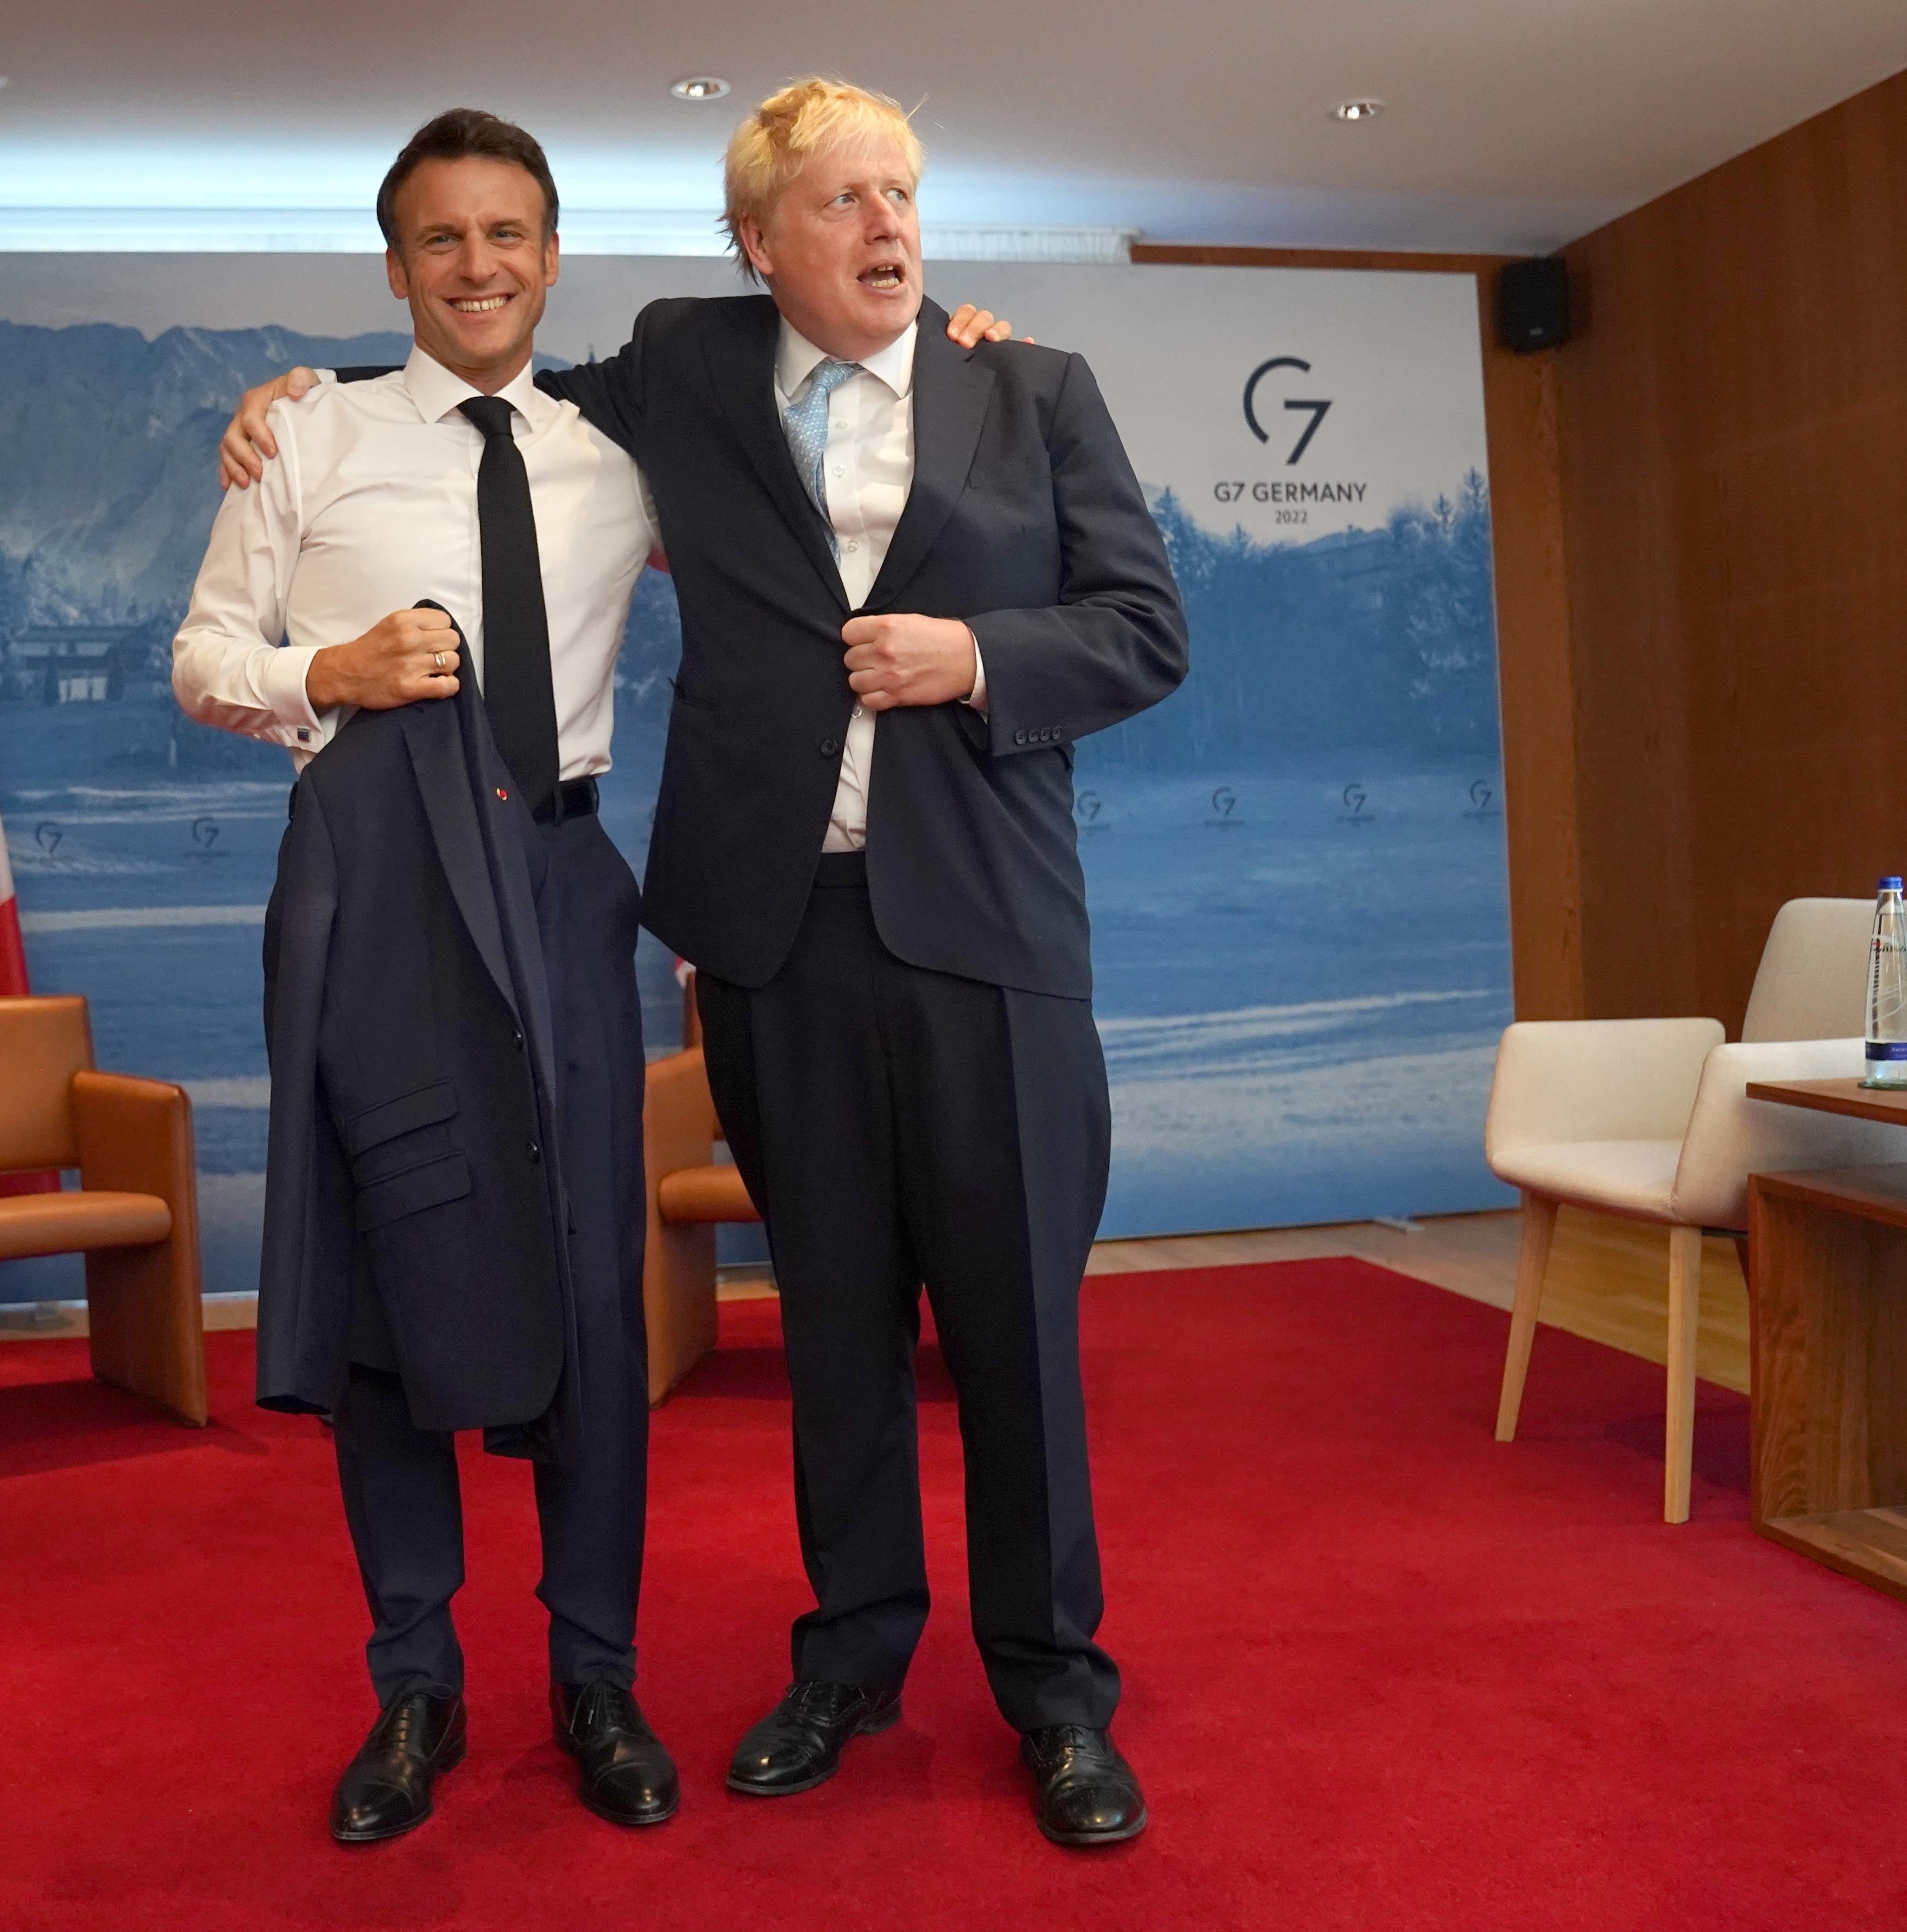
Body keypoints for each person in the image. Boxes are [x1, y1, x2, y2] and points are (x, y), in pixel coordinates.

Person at [219, 78, 1189, 1847]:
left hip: (989, 932)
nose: (890, 226)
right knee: (830, 1322)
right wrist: (287, 399)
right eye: (843, 202)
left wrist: (975, 655)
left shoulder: (1031, 385)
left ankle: (1056, 1693)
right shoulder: (680, 365)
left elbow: (1144, 629)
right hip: (772, 938)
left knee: (1014, 1336)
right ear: (762, 243)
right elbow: (478, 388)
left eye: (902, 192)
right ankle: (851, 1660)